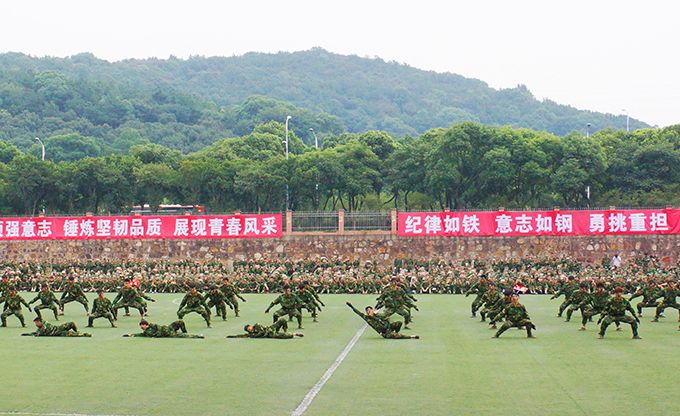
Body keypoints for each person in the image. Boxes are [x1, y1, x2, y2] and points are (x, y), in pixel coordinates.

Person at [346, 302, 419, 339]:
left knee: (399, 323)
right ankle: (411, 337)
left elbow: (386, 317)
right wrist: (351, 306)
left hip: (388, 327)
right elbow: (358, 312)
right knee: (397, 336)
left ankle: (395, 332)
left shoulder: (378, 315)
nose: (369, 311)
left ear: (372, 310)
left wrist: (387, 320)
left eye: (370, 310)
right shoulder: (366, 317)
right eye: (367, 311)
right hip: (384, 332)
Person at [227, 317, 304, 339]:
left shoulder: (256, 325)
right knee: (283, 336)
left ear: (250, 326)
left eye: (249, 327)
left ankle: (285, 330)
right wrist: (233, 336)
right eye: (248, 330)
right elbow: (243, 336)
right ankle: (295, 334)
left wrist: (255, 336)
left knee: (282, 320)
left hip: (269, 328)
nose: (249, 329)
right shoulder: (251, 334)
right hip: (270, 334)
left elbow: (261, 332)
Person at [123, 319, 204, 338]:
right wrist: (130, 335)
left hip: (167, 330)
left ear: (146, 325)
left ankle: (185, 332)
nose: (141, 328)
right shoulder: (146, 332)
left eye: (142, 326)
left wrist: (157, 334)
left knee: (180, 322)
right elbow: (139, 334)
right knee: (183, 336)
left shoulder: (152, 326)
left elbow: (158, 328)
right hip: (167, 332)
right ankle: (198, 336)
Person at [22, 317, 91, 337]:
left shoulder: (43, 327)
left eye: (36, 323)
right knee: (73, 334)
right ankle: (83, 334)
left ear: (39, 322)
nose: (36, 324)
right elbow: (36, 333)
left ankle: (77, 332)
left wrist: (30, 334)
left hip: (59, 330)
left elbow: (38, 334)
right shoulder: (43, 325)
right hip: (59, 332)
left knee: (71, 324)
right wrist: (27, 334)